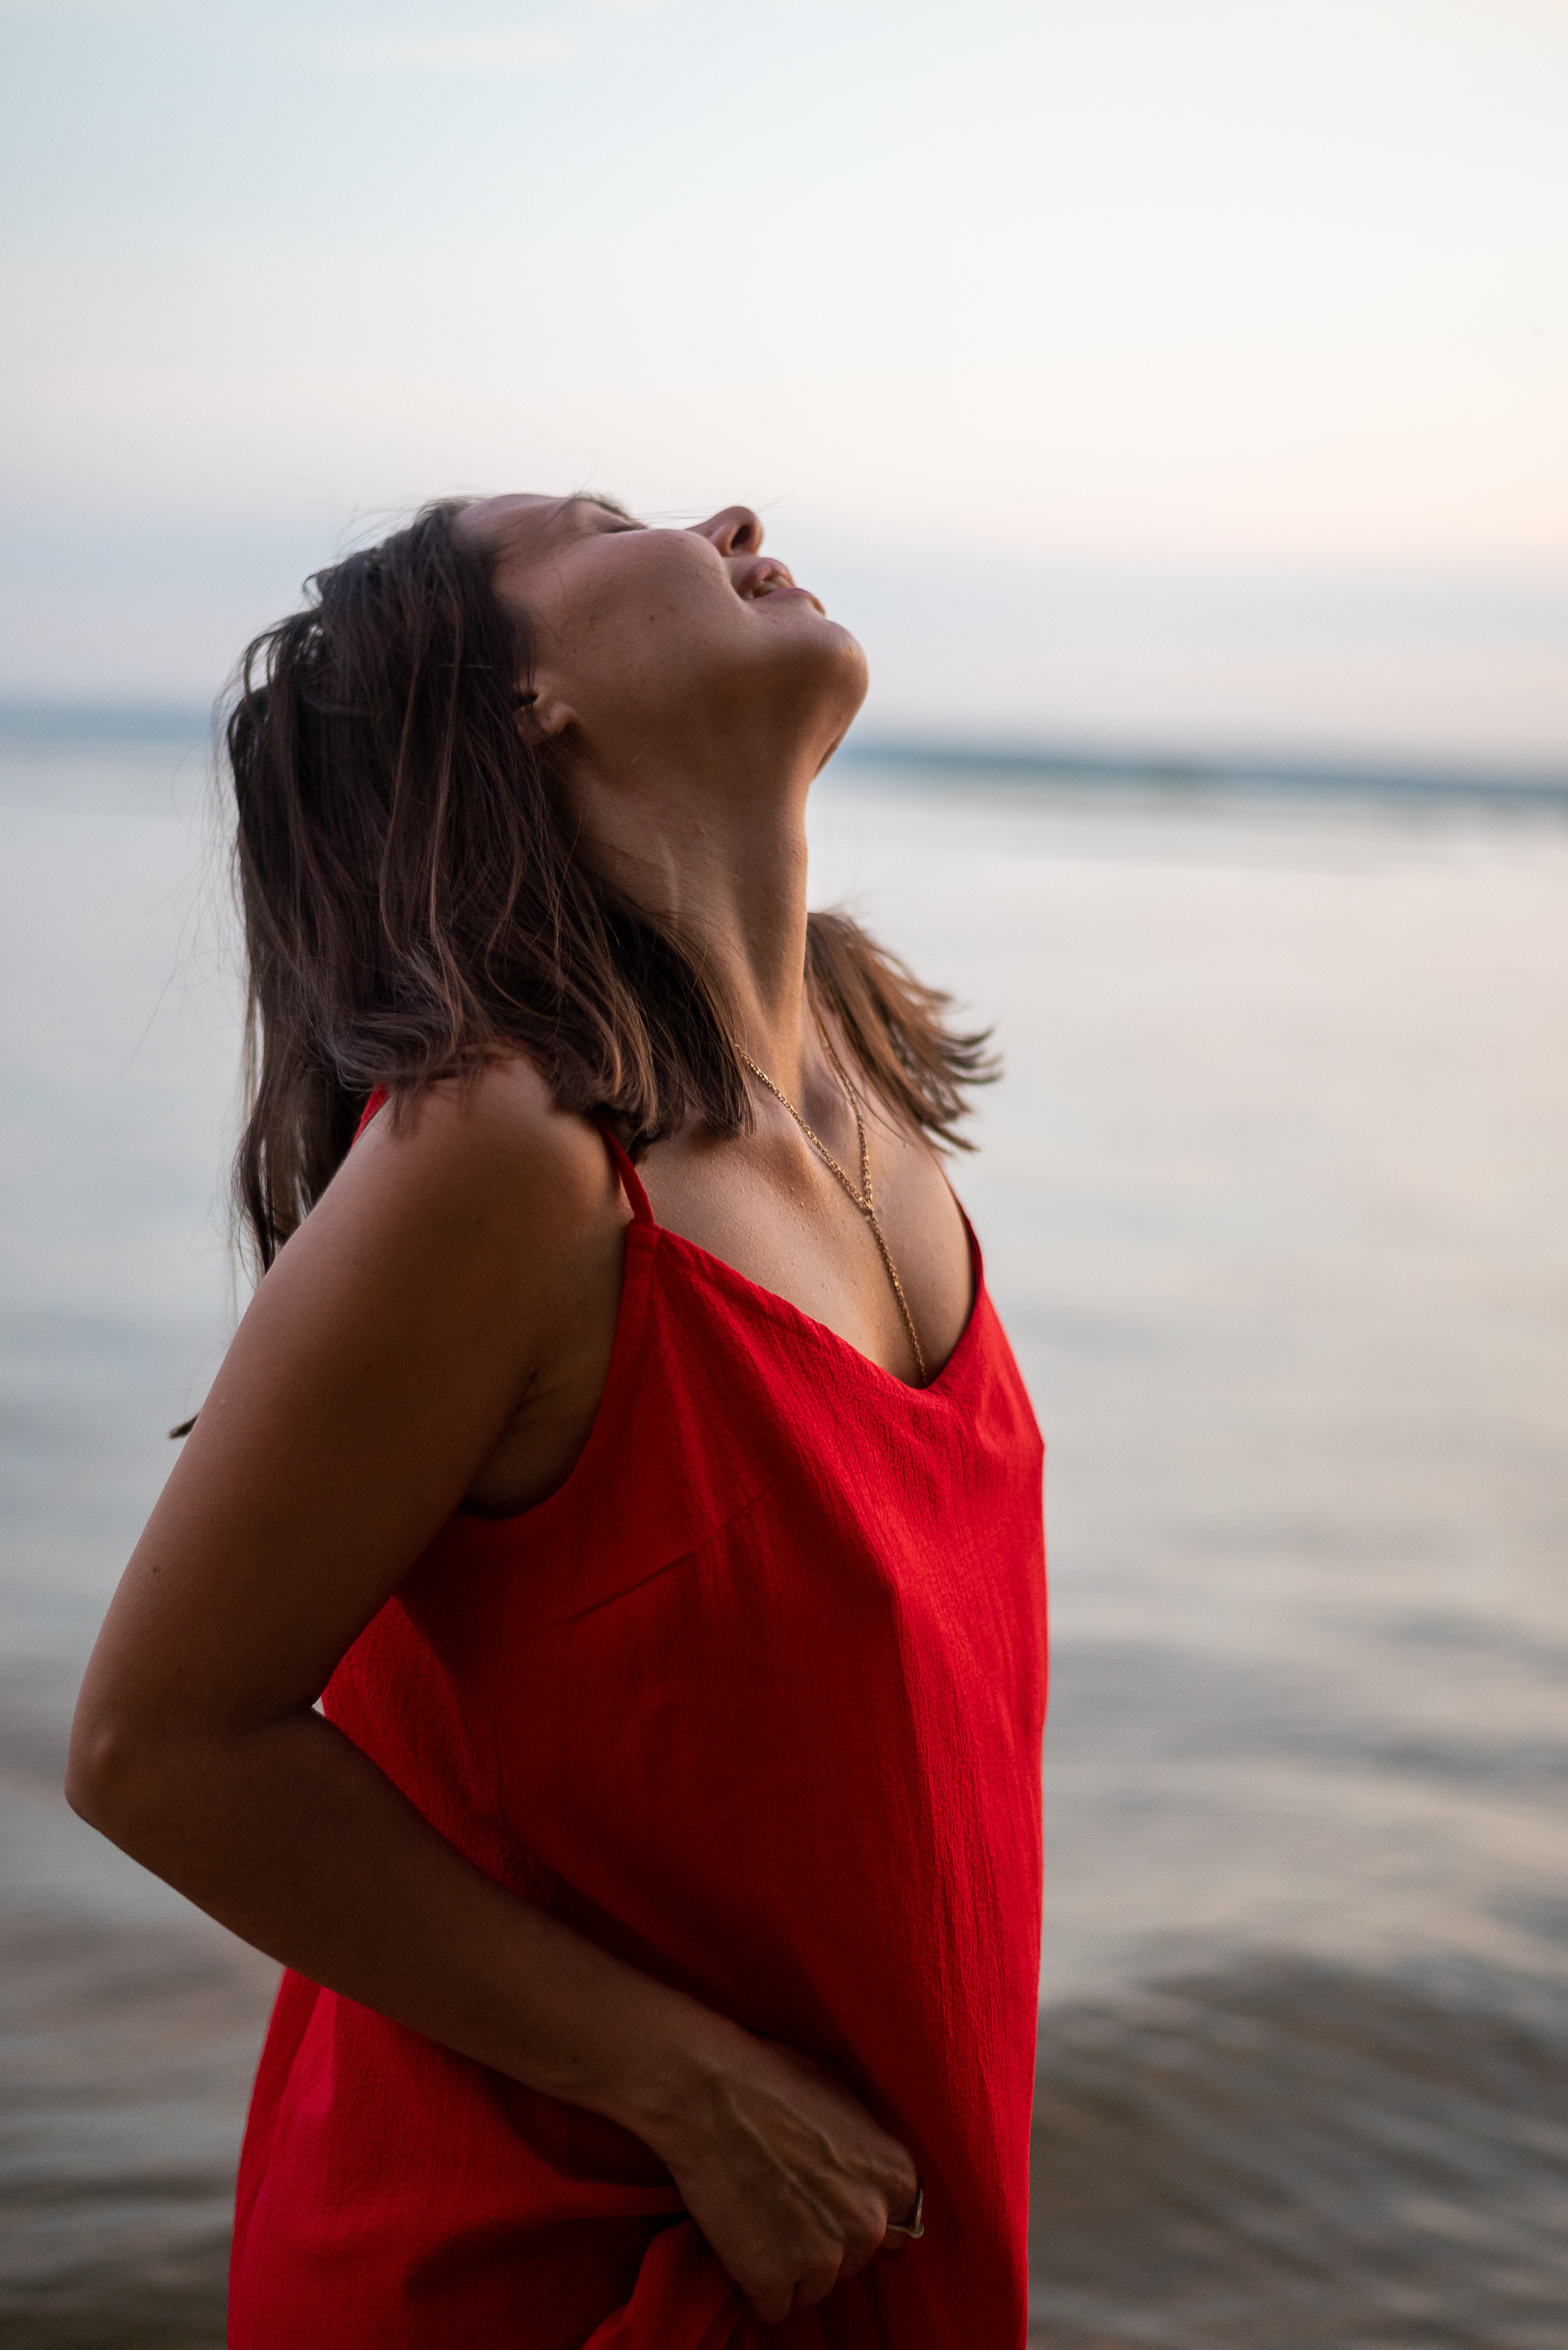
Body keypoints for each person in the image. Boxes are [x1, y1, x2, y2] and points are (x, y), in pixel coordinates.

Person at [66, 494, 1048, 2347]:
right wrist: (686, 2083)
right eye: (602, 524)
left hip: (866, 2235)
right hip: (564, 2262)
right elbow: (155, 1742)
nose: (729, 515)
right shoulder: (508, 1159)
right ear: (514, 701)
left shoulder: (858, 1066)